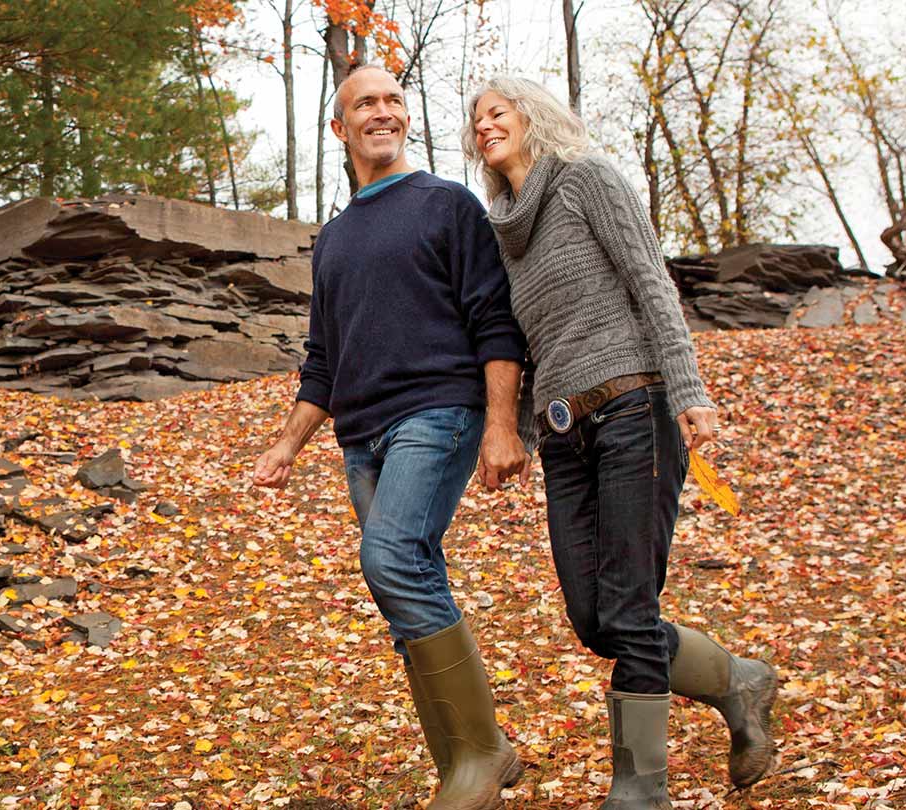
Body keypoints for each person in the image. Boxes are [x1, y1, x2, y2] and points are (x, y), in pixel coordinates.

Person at [464, 75, 779, 808]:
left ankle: (640, 791)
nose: (484, 127)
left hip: (637, 405)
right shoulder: (504, 227)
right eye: (475, 122)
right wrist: (505, 424)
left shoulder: (586, 178)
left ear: (533, 116)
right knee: (593, 618)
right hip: (564, 433)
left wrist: (690, 389)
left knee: (630, 610)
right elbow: (519, 338)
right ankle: (738, 681)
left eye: (497, 112)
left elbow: (650, 281)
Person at [251, 63, 527, 810]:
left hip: (439, 411)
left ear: (406, 118)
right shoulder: (334, 238)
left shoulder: (448, 205)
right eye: (364, 103)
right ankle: (469, 766)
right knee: (401, 585)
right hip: (361, 436)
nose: (383, 111)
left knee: (391, 556)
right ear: (340, 129)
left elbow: (495, 322)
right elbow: (324, 361)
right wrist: (286, 444)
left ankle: (479, 758)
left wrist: (502, 425)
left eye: (393, 100)